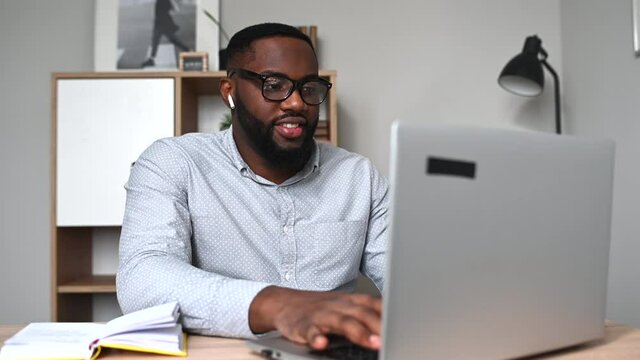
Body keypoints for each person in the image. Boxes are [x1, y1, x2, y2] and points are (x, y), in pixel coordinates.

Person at [117, 23, 388, 351]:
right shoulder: (174, 163)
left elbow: (408, 278)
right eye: (274, 85)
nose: (296, 104)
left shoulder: (358, 176)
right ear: (229, 91)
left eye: (309, 88)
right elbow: (143, 278)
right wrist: (279, 306)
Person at [141, 0, 191, 68]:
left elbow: (176, 9)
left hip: (164, 22)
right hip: (159, 21)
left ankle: (188, 51)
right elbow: (175, 10)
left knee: (172, 39)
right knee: (155, 40)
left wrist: (172, 6)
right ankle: (151, 59)